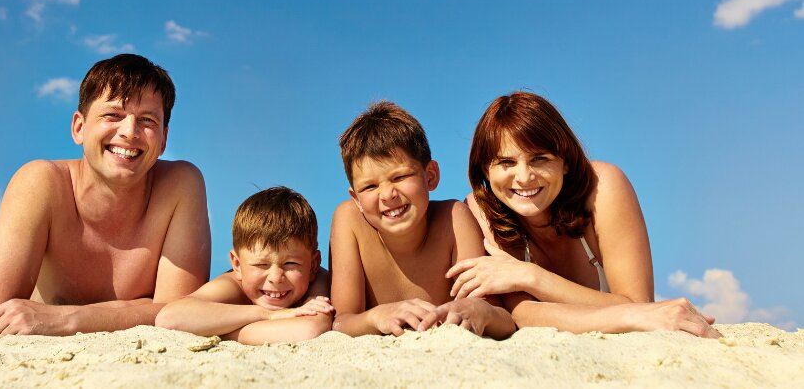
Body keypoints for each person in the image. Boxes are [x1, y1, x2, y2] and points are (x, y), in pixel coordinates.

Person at [0, 54, 211, 335]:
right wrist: (143, 308)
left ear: (164, 140)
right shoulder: (41, 184)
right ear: (79, 127)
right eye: (113, 115)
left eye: (147, 120)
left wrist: (69, 318)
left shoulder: (180, 185)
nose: (130, 132)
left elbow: (181, 316)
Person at [452, 91, 720, 337]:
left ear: (565, 162)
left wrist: (530, 276)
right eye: (506, 162)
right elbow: (523, 313)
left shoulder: (604, 187)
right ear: (485, 170)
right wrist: (627, 313)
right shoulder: (481, 211)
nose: (524, 177)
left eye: (540, 159)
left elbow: (639, 305)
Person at [329, 101, 515, 339]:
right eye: (370, 186)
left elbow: (503, 318)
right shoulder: (350, 221)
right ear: (356, 198)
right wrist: (375, 316)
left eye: (400, 176)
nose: (387, 195)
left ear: (430, 176)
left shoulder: (454, 219)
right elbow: (341, 322)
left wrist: (479, 309)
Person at [156, 186, 333, 344]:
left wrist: (221, 330)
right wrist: (267, 315)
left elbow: (308, 330)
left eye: (290, 263)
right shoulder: (233, 285)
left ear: (313, 265)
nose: (275, 277)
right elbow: (169, 318)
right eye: (261, 264)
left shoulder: (318, 280)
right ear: (237, 265)